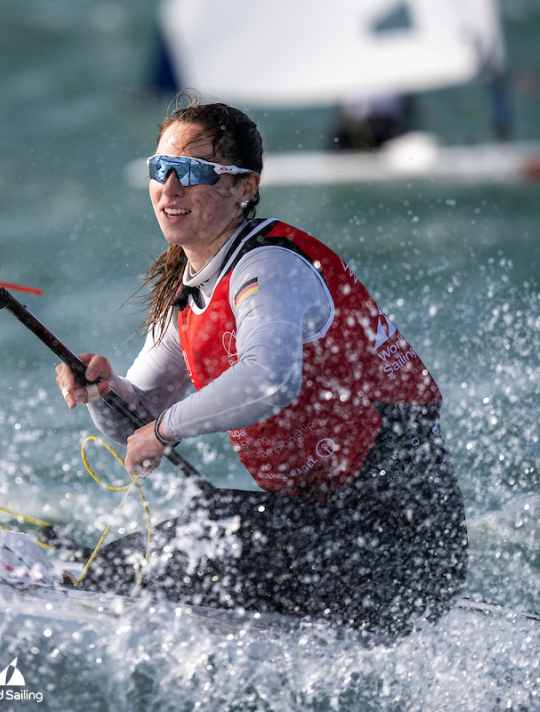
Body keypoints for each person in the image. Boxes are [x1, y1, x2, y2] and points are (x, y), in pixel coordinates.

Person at [55, 99, 467, 637]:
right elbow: (135, 424)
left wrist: (164, 430)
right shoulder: (189, 292)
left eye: (195, 172)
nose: (170, 187)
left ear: (244, 187)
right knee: (163, 550)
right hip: (322, 535)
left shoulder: (269, 265)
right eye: (161, 169)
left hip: (397, 550)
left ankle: (72, 586)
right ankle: (72, 577)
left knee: (199, 539)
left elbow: (269, 379)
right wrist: (101, 391)